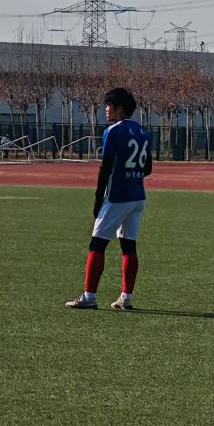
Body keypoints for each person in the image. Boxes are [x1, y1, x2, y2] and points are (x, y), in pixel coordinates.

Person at [66, 87, 154, 311]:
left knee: (97, 243)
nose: (106, 110)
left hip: (117, 196)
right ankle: (126, 297)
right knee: (129, 246)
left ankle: (89, 296)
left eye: (109, 106)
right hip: (138, 196)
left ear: (119, 109)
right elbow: (148, 168)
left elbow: (105, 168)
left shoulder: (112, 132)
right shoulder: (144, 132)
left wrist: (98, 198)